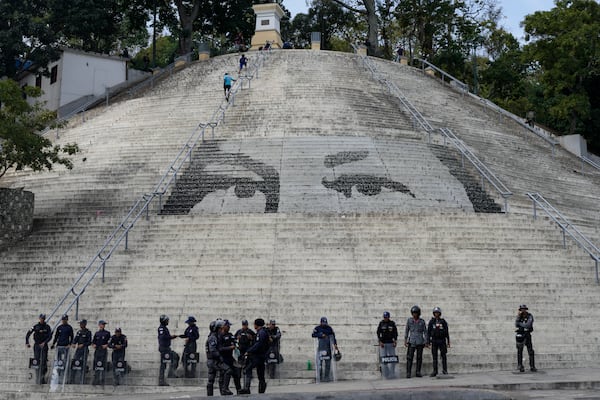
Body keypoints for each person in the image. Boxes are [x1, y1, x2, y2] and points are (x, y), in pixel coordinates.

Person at [239, 318, 269, 394]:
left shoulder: (261, 333)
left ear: (256, 325)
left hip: (257, 356)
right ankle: (261, 390)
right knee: (260, 374)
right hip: (261, 356)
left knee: (246, 369)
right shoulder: (263, 332)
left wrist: (249, 351)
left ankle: (246, 388)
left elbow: (258, 344)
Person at [25, 313, 52, 383]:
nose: (42, 319)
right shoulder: (35, 326)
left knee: (43, 361)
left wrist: (45, 342)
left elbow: (50, 336)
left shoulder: (47, 327)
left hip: (44, 346)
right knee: (36, 362)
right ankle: (37, 377)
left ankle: (42, 377)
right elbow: (28, 333)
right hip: (37, 345)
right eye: (41, 318)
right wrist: (27, 342)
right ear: (39, 318)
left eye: (43, 318)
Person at [312, 317, 338, 382]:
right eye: (323, 323)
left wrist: (335, 345)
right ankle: (319, 377)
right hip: (320, 348)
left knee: (328, 364)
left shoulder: (329, 328)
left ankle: (326, 377)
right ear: (320, 322)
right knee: (319, 363)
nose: (324, 324)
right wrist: (321, 335)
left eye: (325, 323)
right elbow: (313, 335)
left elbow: (333, 336)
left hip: (328, 348)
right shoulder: (317, 328)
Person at [404, 305, 428, 378]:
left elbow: (425, 332)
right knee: (409, 357)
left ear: (418, 313)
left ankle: (418, 372)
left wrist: (426, 341)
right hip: (412, 341)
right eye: (413, 313)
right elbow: (407, 330)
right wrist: (405, 340)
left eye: (416, 313)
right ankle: (408, 373)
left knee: (419, 357)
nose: (415, 314)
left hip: (420, 341)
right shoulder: (409, 320)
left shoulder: (422, 321)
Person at [219, 320, 241, 394]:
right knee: (226, 373)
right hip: (223, 358)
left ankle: (239, 389)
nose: (229, 327)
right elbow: (220, 348)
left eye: (229, 326)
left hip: (230, 357)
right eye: (227, 326)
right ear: (223, 326)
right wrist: (229, 348)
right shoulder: (220, 336)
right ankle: (224, 389)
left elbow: (235, 342)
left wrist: (236, 344)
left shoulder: (230, 335)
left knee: (236, 372)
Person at [427, 307, 450, 377]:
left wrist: (448, 341)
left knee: (443, 356)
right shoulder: (431, 322)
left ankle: (445, 370)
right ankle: (435, 371)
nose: (436, 314)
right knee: (434, 356)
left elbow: (446, 332)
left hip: (442, 340)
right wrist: (428, 342)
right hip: (434, 340)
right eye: (435, 313)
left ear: (440, 313)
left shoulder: (443, 322)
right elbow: (428, 332)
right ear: (433, 313)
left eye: (437, 312)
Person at [51, 314, 74, 383]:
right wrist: (53, 344)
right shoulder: (59, 327)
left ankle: (65, 377)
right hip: (59, 346)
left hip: (65, 347)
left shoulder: (69, 327)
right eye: (63, 319)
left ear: (67, 320)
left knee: (65, 361)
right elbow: (56, 336)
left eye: (65, 319)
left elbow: (72, 337)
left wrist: (70, 344)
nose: (64, 321)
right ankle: (58, 375)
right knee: (58, 362)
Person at [206, 320, 226, 396]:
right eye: (220, 328)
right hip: (213, 361)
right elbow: (213, 350)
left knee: (212, 378)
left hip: (212, 360)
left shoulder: (214, 336)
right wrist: (220, 357)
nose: (221, 330)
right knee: (221, 375)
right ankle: (215, 394)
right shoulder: (213, 337)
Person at [158, 314, 178, 386]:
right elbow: (163, 337)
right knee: (163, 364)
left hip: (166, 348)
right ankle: (161, 380)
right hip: (164, 349)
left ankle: (171, 373)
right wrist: (170, 337)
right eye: (167, 320)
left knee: (175, 356)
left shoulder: (164, 328)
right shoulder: (162, 328)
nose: (168, 322)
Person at [515, 304, 537, 372]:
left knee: (530, 351)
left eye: (524, 309)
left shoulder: (530, 316)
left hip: (527, 334)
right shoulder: (519, 316)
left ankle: (532, 366)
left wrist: (520, 324)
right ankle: (520, 365)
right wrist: (518, 317)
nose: (523, 310)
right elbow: (516, 324)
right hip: (520, 335)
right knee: (519, 351)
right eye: (522, 309)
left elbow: (528, 325)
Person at [377, 311, 398, 379]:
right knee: (384, 360)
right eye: (384, 317)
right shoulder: (381, 323)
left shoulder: (392, 323)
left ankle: (392, 373)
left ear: (389, 317)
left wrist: (395, 340)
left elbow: (395, 333)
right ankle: (386, 373)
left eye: (386, 317)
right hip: (383, 344)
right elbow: (378, 333)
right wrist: (380, 341)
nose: (385, 318)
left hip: (391, 343)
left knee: (393, 359)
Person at [71, 319, 92, 384]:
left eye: (82, 324)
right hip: (78, 350)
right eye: (80, 324)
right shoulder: (79, 332)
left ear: (85, 324)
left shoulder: (88, 332)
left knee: (83, 363)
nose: (80, 325)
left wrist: (83, 344)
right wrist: (74, 343)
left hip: (84, 349)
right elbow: (75, 339)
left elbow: (89, 342)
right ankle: (72, 379)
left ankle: (82, 378)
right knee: (75, 362)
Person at [91, 320, 110, 385]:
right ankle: (96, 379)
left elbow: (110, 342)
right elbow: (93, 341)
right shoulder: (97, 333)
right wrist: (93, 345)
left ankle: (102, 379)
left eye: (104, 324)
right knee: (96, 364)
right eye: (102, 324)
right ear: (99, 325)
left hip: (103, 351)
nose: (103, 325)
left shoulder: (107, 333)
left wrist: (106, 345)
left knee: (103, 365)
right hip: (97, 350)